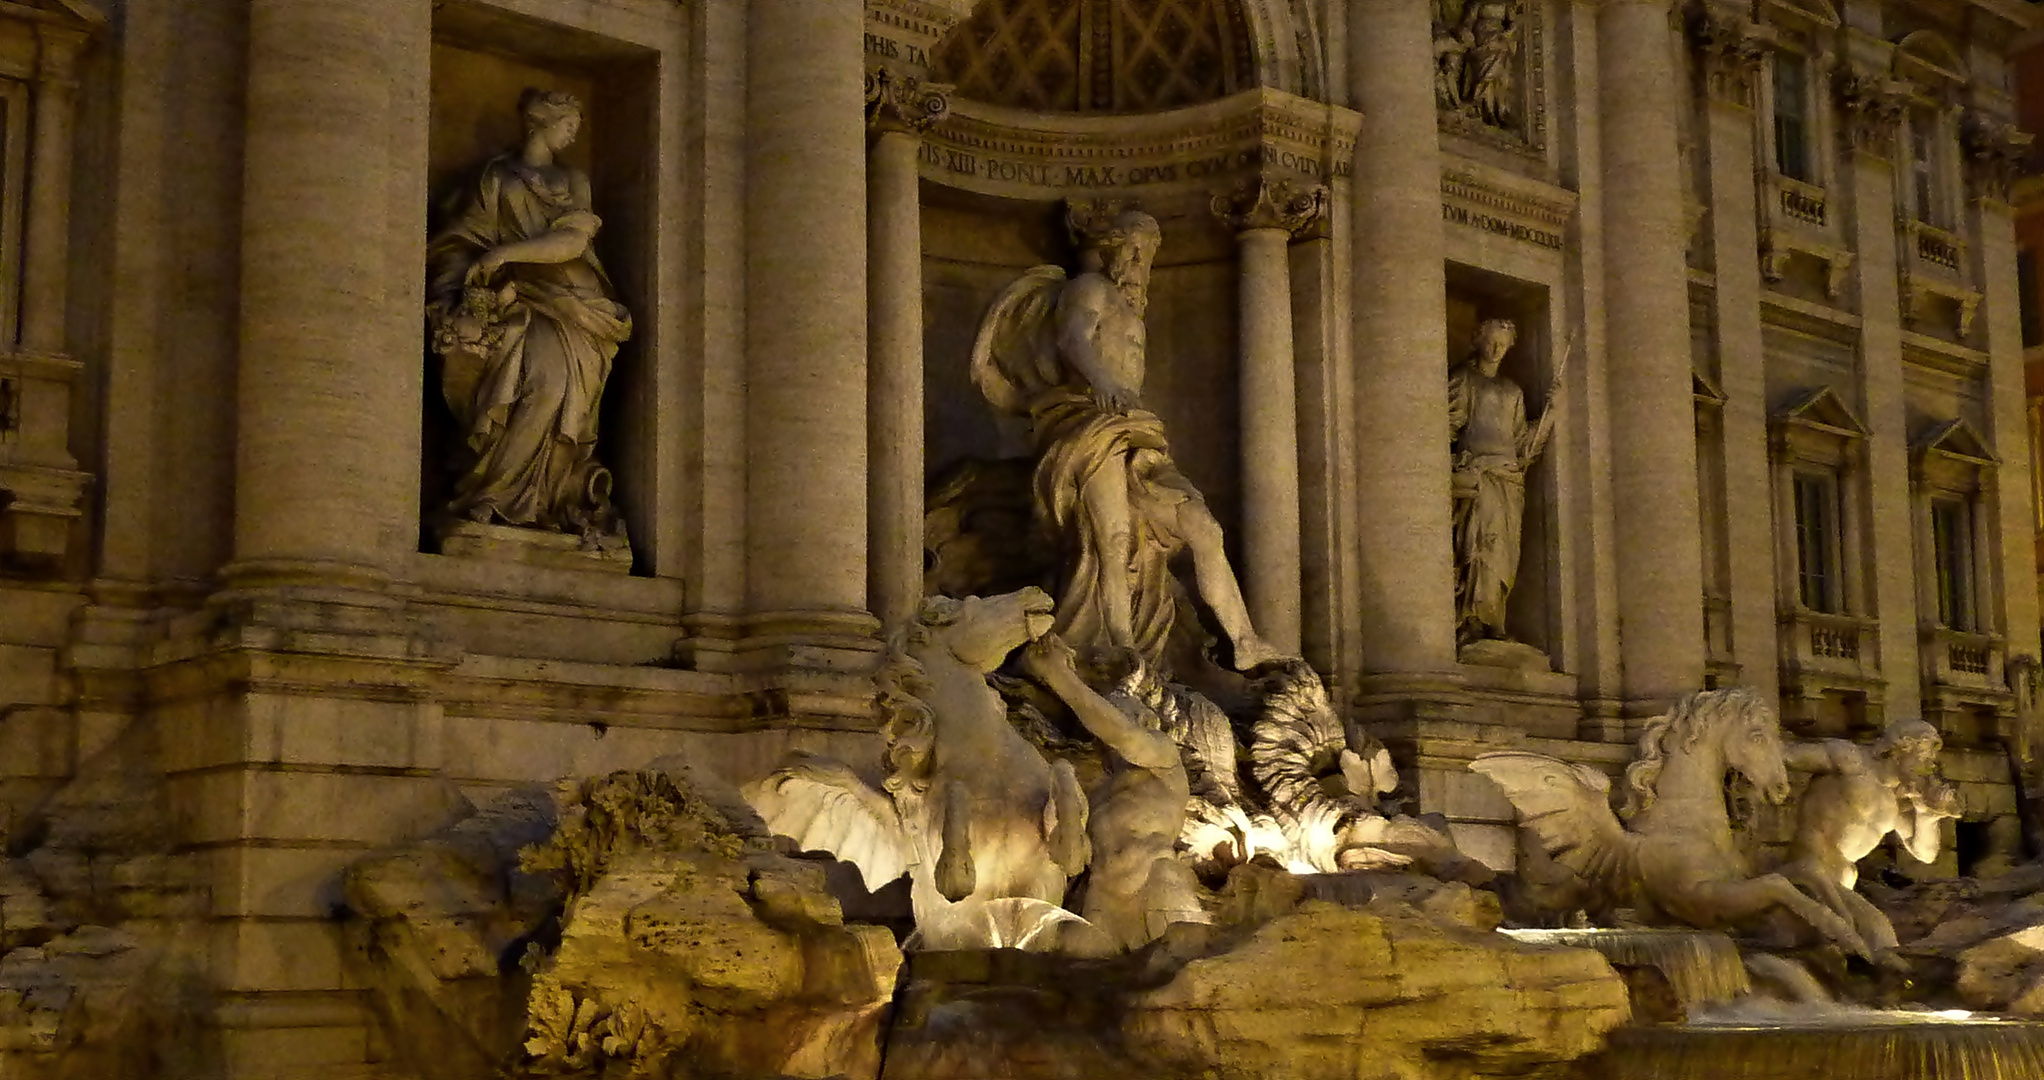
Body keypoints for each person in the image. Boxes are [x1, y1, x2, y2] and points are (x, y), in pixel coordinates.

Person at [972, 209, 1282, 672]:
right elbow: (1072, 338)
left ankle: (1245, 641)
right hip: (1089, 422)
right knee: (1111, 539)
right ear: (1112, 249)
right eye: (1133, 251)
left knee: (1202, 529)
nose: (1140, 263)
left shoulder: (1129, 306)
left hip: (1135, 428)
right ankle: (1119, 650)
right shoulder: (1089, 288)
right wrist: (1100, 381)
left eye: (1147, 255)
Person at [427, 88, 632, 547]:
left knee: (559, 392)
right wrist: (475, 280)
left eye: (578, 125)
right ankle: (495, 493)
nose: (573, 132)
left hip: (575, 302)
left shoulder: (573, 180)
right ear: (541, 122)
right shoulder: (495, 179)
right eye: (568, 124)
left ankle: (545, 501)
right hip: (516, 299)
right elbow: (462, 239)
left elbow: (574, 243)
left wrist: (504, 254)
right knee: (529, 384)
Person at [1018, 632, 1205, 953]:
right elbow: (1072, 857)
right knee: (1078, 967)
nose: (1103, 732)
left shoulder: (1164, 760)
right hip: (1102, 897)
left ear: (1147, 720)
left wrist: (1059, 676)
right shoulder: (1100, 791)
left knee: (1179, 967)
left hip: (1155, 882)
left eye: (1120, 714)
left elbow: (1125, 736)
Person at [1780, 720, 1962, 961]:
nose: (1929, 767)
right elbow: (1784, 756)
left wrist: (1927, 818)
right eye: (1924, 758)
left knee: (1873, 938)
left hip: (1843, 883)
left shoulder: (1894, 800)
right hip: (1808, 871)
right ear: (1900, 751)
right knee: (1877, 932)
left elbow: (1925, 854)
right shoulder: (1849, 760)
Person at [1447, 319, 1562, 645]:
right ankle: (1472, 620)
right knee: (1480, 546)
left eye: (1503, 344)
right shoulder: (1463, 379)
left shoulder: (1513, 392)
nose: (1496, 350)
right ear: (1477, 340)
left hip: (1508, 480)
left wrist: (1550, 413)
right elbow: (1447, 427)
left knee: (1504, 555)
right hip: (1479, 475)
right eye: (1491, 342)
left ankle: (1494, 619)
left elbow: (1524, 445)